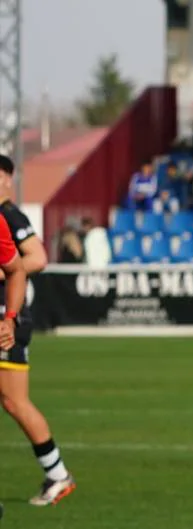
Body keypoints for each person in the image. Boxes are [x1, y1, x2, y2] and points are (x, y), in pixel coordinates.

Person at [0, 156, 72, 506]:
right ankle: (56, 473)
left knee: (15, 400)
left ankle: (58, 473)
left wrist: (3, 271)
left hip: (6, 318)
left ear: (8, 180)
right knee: (12, 400)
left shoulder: (10, 215)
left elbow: (37, 259)